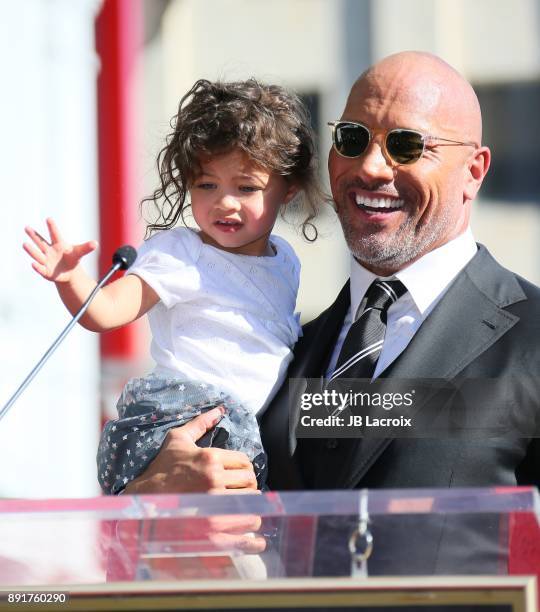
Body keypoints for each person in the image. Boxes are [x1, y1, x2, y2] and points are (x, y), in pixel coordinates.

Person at [102, 51, 540, 496]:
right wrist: (153, 496)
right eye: (352, 138)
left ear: (474, 171)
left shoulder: (532, 341)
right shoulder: (284, 353)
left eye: (406, 145)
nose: (370, 167)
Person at [23, 78, 324, 494]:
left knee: (238, 543)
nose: (225, 202)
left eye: (247, 187)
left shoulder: (285, 259)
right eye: (207, 185)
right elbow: (105, 311)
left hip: (248, 424)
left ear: (288, 189)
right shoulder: (182, 253)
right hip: (188, 417)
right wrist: (71, 278)